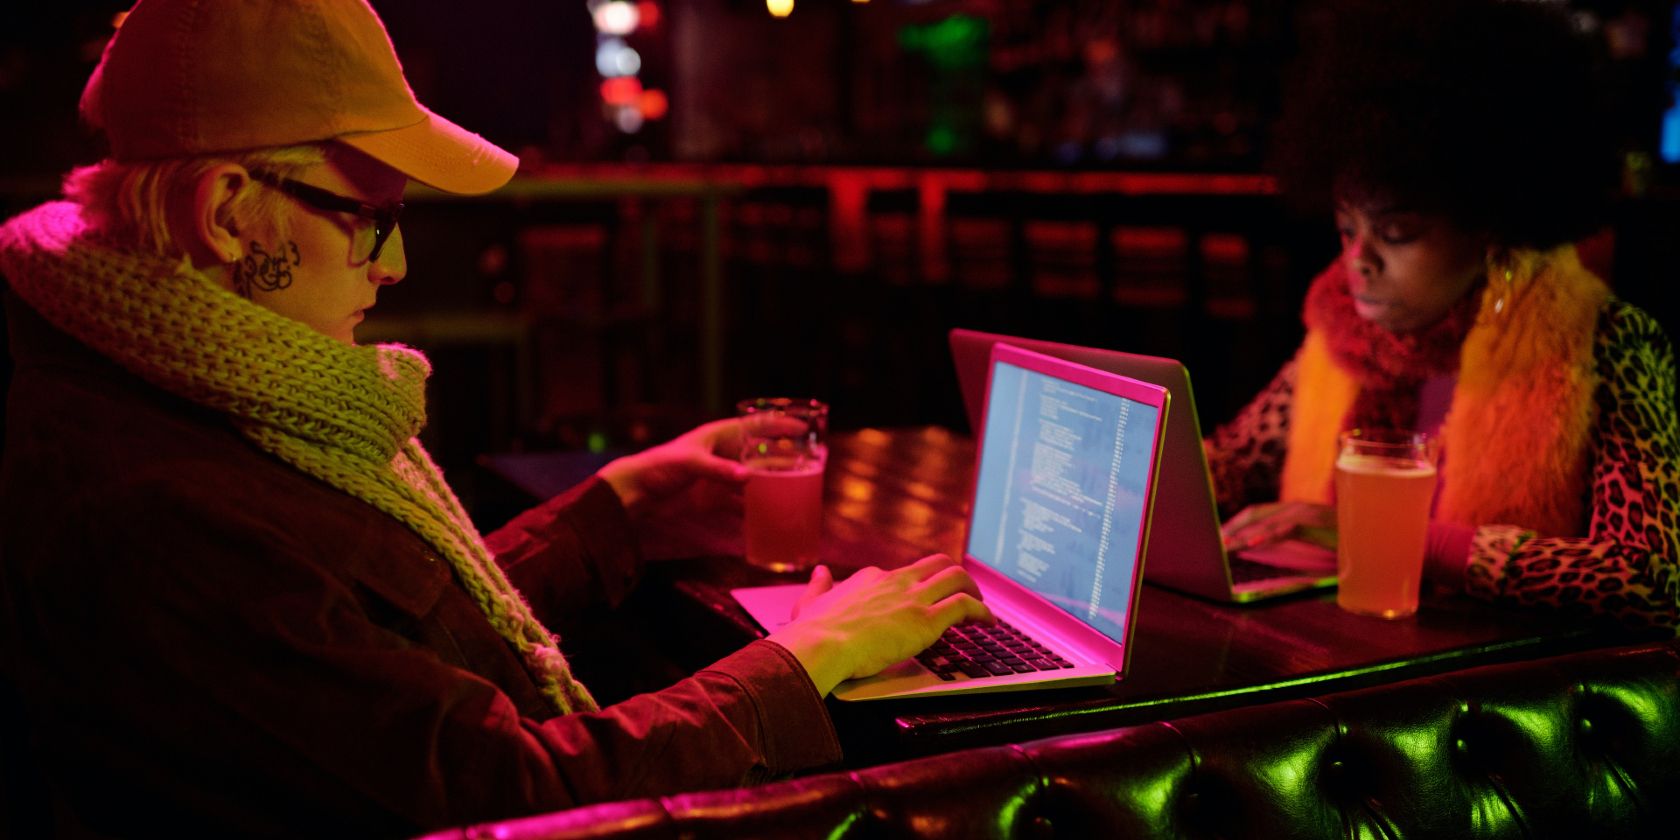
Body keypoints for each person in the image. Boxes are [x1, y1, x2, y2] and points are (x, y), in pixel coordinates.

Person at [0, 1, 990, 835]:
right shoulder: (164, 509)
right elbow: (514, 795)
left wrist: (614, 505)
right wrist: (805, 658)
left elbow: (380, 648)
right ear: (226, 213)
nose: (390, 267)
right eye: (370, 218)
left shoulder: (149, 390)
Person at [1209, 0, 1678, 631]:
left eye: (1397, 233)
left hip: (1501, 691)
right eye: (1346, 228)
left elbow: (1648, 577)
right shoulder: (1343, 337)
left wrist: (1401, 538)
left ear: (1490, 226)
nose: (1357, 260)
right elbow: (1234, 461)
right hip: (1331, 653)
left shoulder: (1605, 345)